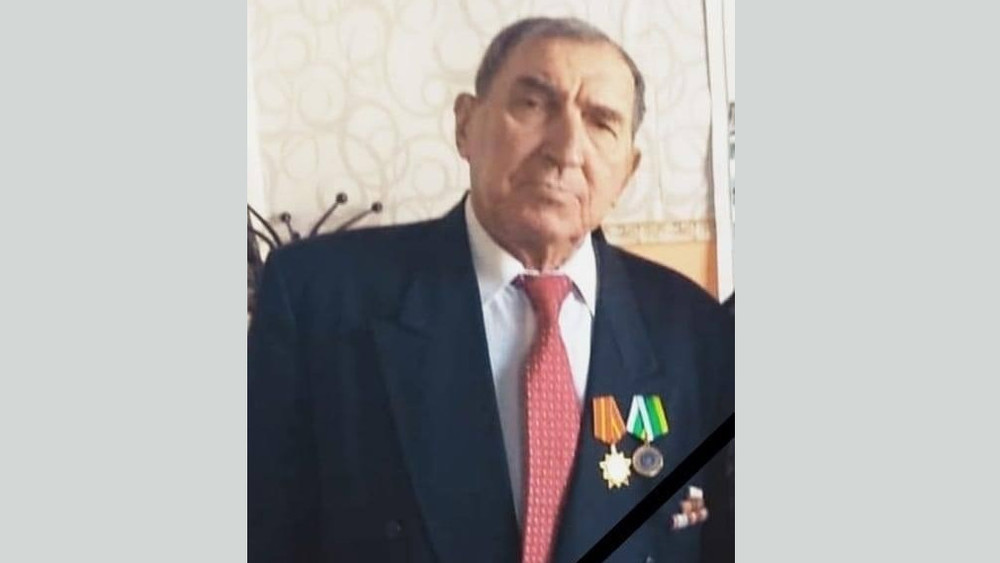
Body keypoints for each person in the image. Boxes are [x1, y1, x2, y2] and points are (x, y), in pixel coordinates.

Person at [249, 16, 734, 563]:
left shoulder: (693, 329)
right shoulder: (319, 300)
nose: (566, 149)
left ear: (628, 170)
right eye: (533, 104)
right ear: (466, 125)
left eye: (601, 123)